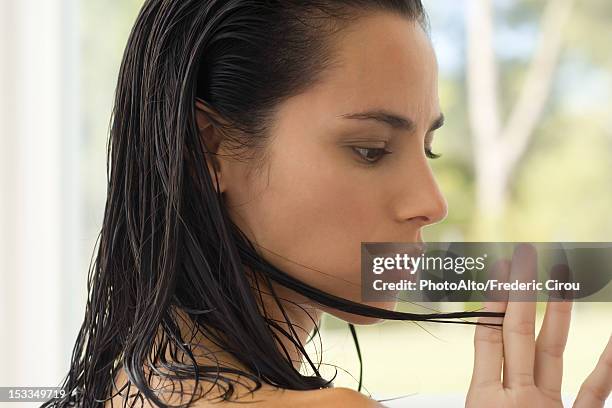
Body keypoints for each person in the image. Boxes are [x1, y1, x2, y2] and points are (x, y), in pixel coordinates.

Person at [43, 1, 612, 407]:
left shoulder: (122, 386)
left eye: (428, 149)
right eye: (371, 150)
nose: (432, 203)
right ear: (209, 149)